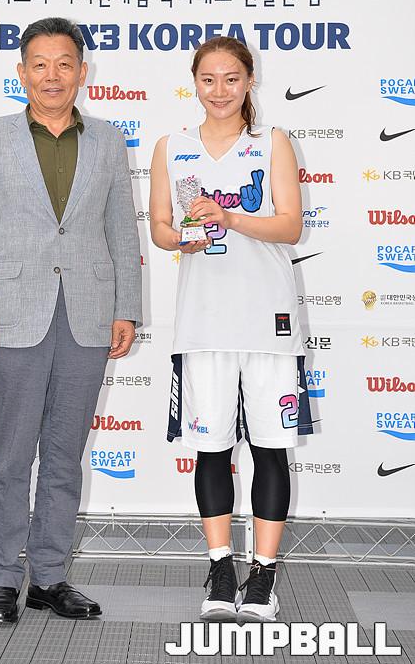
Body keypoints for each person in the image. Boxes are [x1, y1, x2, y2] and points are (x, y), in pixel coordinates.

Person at [0, 16, 142, 624]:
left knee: (64, 454)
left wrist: (126, 309)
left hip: (87, 316)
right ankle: (1, 580)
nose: (52, 75)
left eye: (64, 64)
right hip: (13, 315)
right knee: (12, 454)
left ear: (82, 72)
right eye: (40, 64)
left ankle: (50, 577)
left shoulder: (109, 140)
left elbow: (122, 231)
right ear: (22, 72)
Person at [149, 36, 312, 623]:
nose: (219, 90)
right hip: (203, 322)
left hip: (268, 320)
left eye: (231, 78)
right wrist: (182, 238)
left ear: (249, 81)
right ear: (194, 82)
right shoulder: (172, 147)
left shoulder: (272, 142)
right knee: (211, 448)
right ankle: (220, 568)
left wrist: (231, 217)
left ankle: (263, 574)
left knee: (271, 450)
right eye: (208, 79)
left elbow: (291, 226)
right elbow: (160, 228)